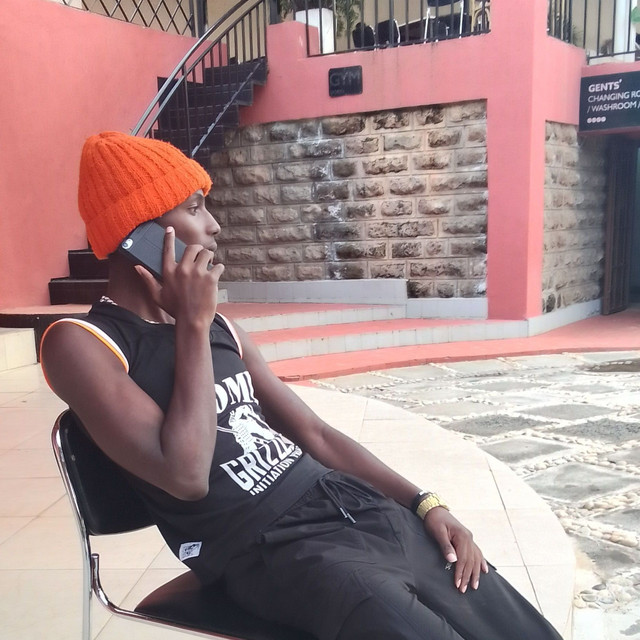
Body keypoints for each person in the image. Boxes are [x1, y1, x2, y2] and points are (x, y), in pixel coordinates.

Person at [41, 131, 563, 640]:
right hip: (268, 548)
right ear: (140, 235)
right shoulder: (81, 343)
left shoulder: (222, 328)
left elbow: (315, 434)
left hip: (346, 504)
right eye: (195, 208)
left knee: (505, 616)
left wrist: (427, 504)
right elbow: (186, 476)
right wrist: (192, 326)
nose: (214, 224)